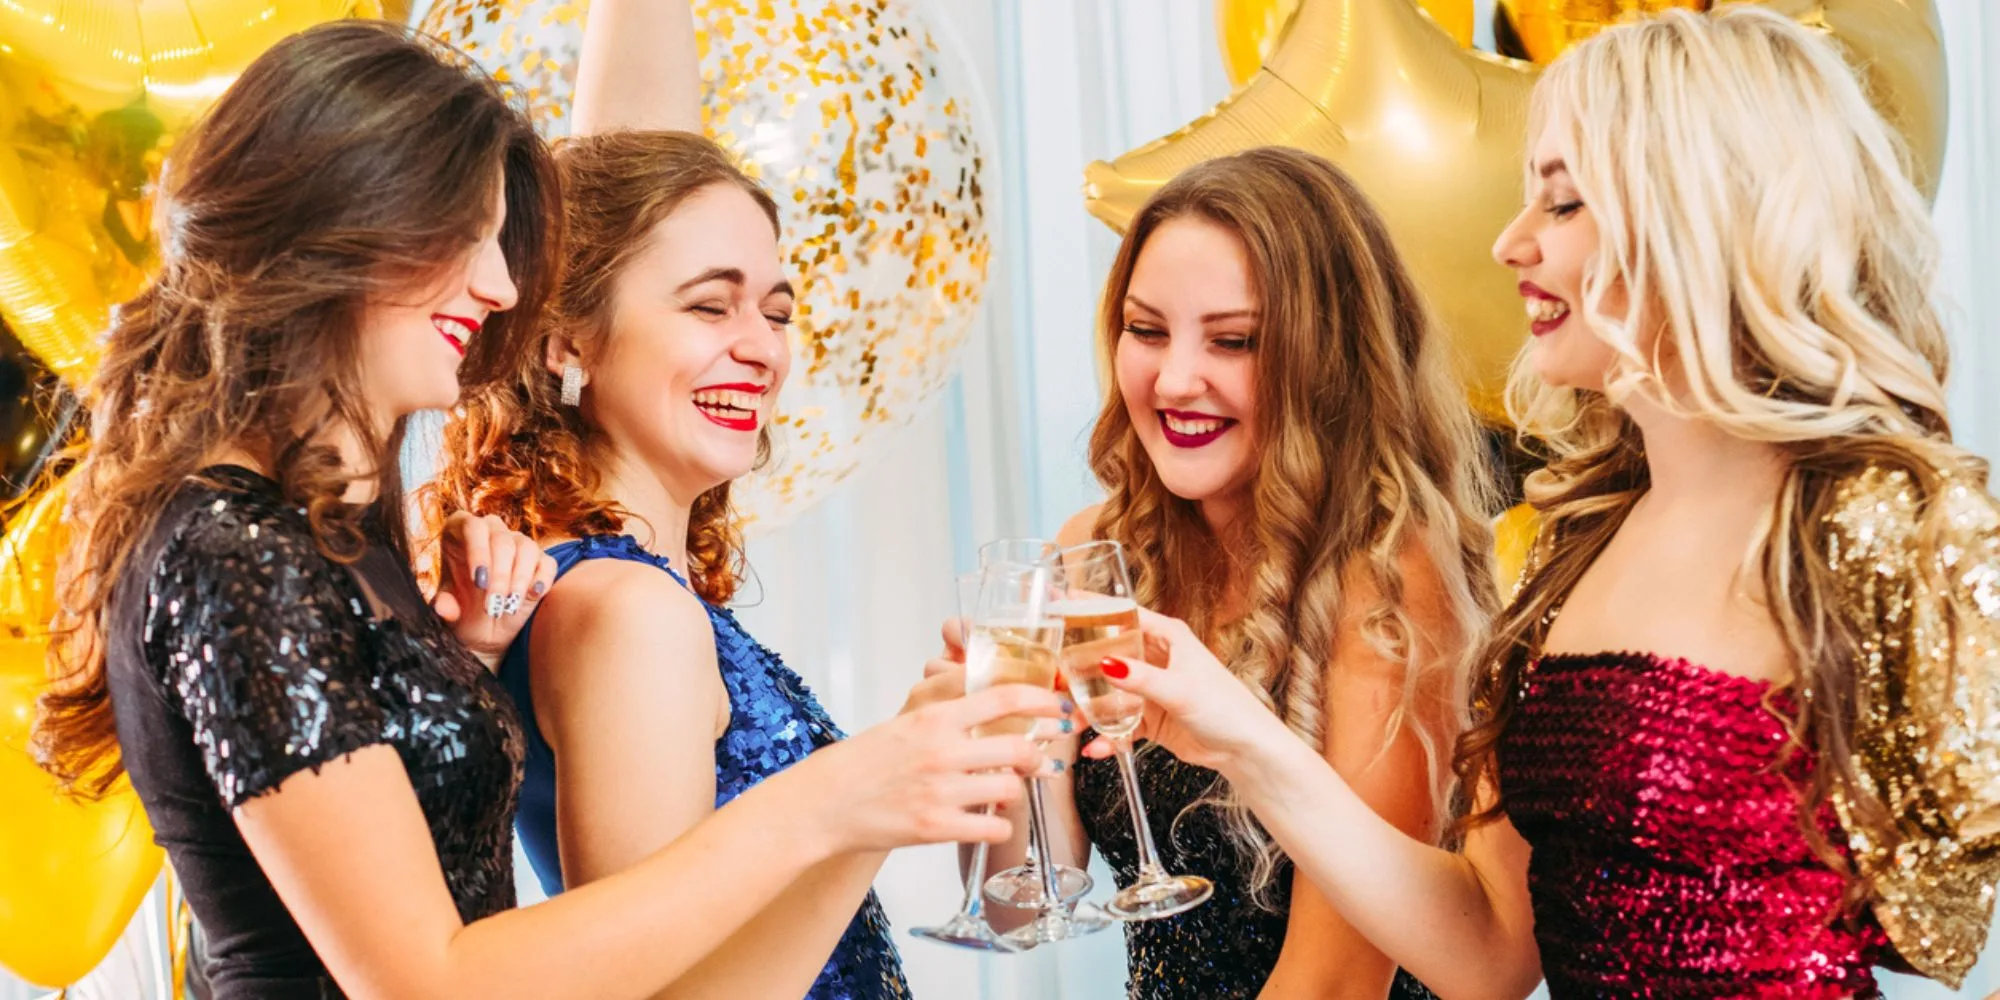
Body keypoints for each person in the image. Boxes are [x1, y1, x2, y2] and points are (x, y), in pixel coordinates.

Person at [34, 21, 1060, 999]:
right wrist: (840, 801)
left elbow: (406, 832)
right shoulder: (233, 550)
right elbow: (425, 979)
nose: (497, 285)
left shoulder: (334, 538)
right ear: (344, 227)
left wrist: (462, 659)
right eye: (467, 238)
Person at [1082, 7, 2000, 997]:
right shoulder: (1574, 544)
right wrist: (1245, 740)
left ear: (1696, 213)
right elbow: (1485, 956)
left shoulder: (1890, 520)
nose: (1511, 242)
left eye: (1560, 205)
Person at [428, 2, 1007, 996]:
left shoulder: (610, 577)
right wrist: (860, 803)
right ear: (567, 340)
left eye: (775, 309)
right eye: (709, 304)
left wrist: (902, 760)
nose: (761, 344)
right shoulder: (628, 612)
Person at [952, 146, 1498, 999]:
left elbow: (1337, 982)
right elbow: (1019, 912)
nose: (1174, 380)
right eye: (1146, 330)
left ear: (1328, 359)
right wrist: (1002, 753)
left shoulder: (1394, 577)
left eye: (1234, 341)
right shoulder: (1096, 547)